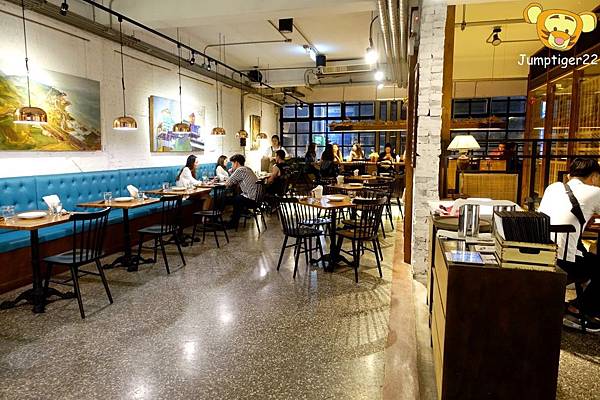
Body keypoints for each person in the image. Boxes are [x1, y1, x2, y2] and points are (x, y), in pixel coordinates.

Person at [539, 158, 600, 331]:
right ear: (594, 176)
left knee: (587, 255)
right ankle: (580, 309)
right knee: (596, 263)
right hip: (566, 263)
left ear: (569, 175)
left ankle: (578, 301)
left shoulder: (553, 188)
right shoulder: (595, 191)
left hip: (545, 254)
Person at [224, 154, 259, 229]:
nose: (231, 166)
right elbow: (235, 180)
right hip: (257, 199)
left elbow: (228, 183)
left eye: (232, 163)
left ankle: (231, 223)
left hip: (251, 199)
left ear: (236, 163)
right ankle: (233, 220)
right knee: (237, 198)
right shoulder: (247, 169)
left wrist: (231, 172)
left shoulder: (240, 170)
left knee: (231, 199)